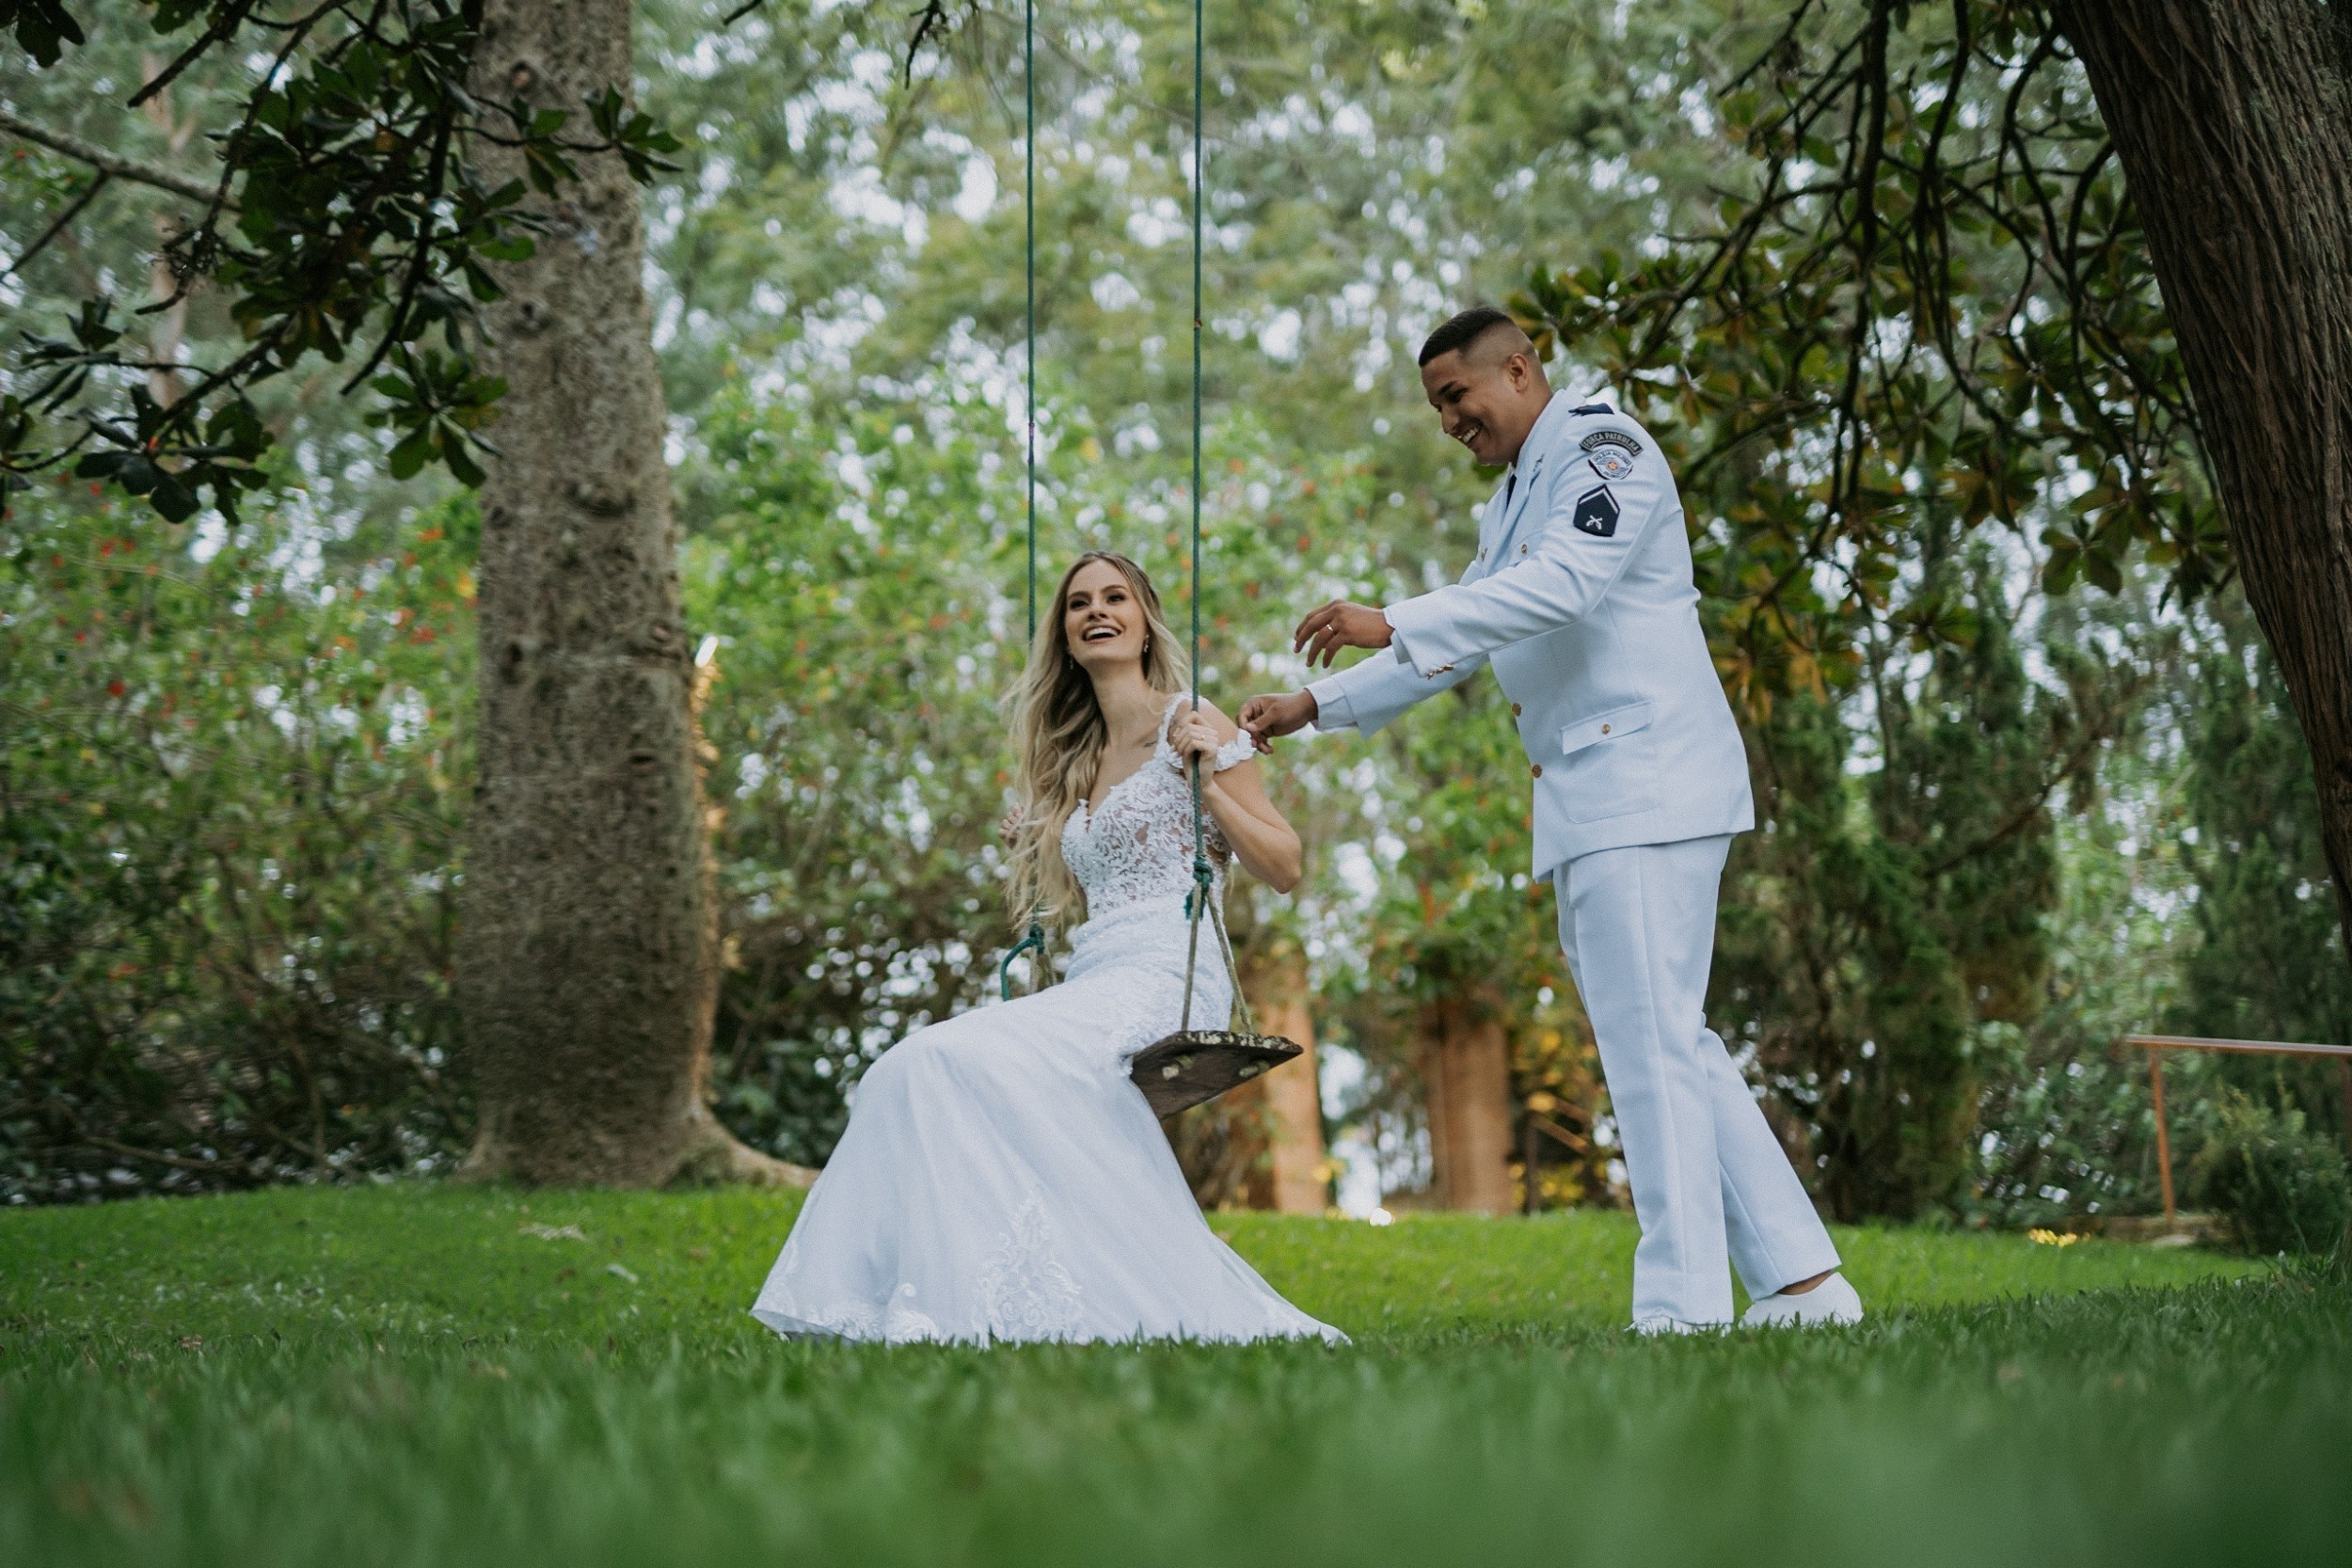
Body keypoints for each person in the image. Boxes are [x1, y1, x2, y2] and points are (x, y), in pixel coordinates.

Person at [1240, 307, 1862, 1333]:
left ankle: (1681, 1308)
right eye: (1437, 404)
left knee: (1650, 1046)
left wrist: (1392, 612)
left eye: (1457, 395)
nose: (1449, 420)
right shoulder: (1513, 502)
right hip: (1594, 791)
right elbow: (1471, 631)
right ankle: (1805, 1285)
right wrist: (1316, 705)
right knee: (1673, 1041)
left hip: (1645, 777)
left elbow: (1565, 585)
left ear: (1520, 369)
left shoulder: (1601, 448)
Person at [751, 551, 1343, 1345]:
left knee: (932, 1061)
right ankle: (955, 1308)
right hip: (1092, 977)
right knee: (908, 1070)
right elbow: (1088, 881)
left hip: (1168, 976)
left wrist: (1208, 777)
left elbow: (1285, 864)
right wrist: (1038, 842)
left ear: (1143, 621)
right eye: (1077, 604)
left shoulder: (1192, 721)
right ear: (1064, 636)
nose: (1095, 611)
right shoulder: (1075, 762)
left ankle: (961, 1315)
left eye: (1114, 598)